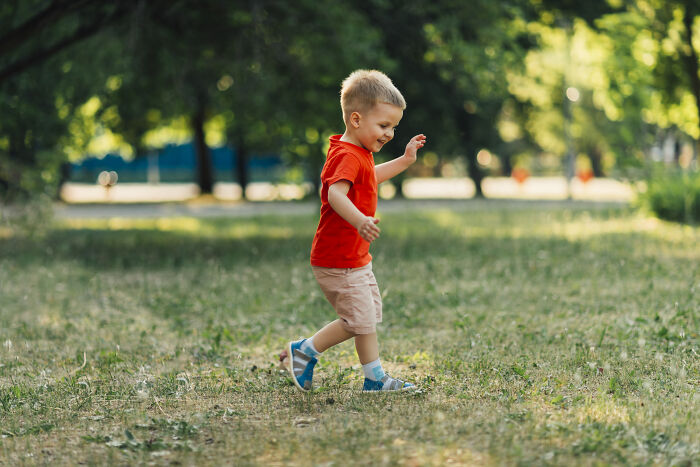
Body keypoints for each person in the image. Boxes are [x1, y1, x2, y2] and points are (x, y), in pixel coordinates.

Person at [286, 69, 426, 393]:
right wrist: (360, 220)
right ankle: (305, 351)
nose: (389, 133)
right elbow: (336, 195)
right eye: (384, 125)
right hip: (338, 259)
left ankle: (374, 378)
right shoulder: (346, 155)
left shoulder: (358, 153)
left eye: (394, 127)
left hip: (354, 257)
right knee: (356, 320)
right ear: (356, 119)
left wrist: (404, 160)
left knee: (367, 316)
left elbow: (371, 176)